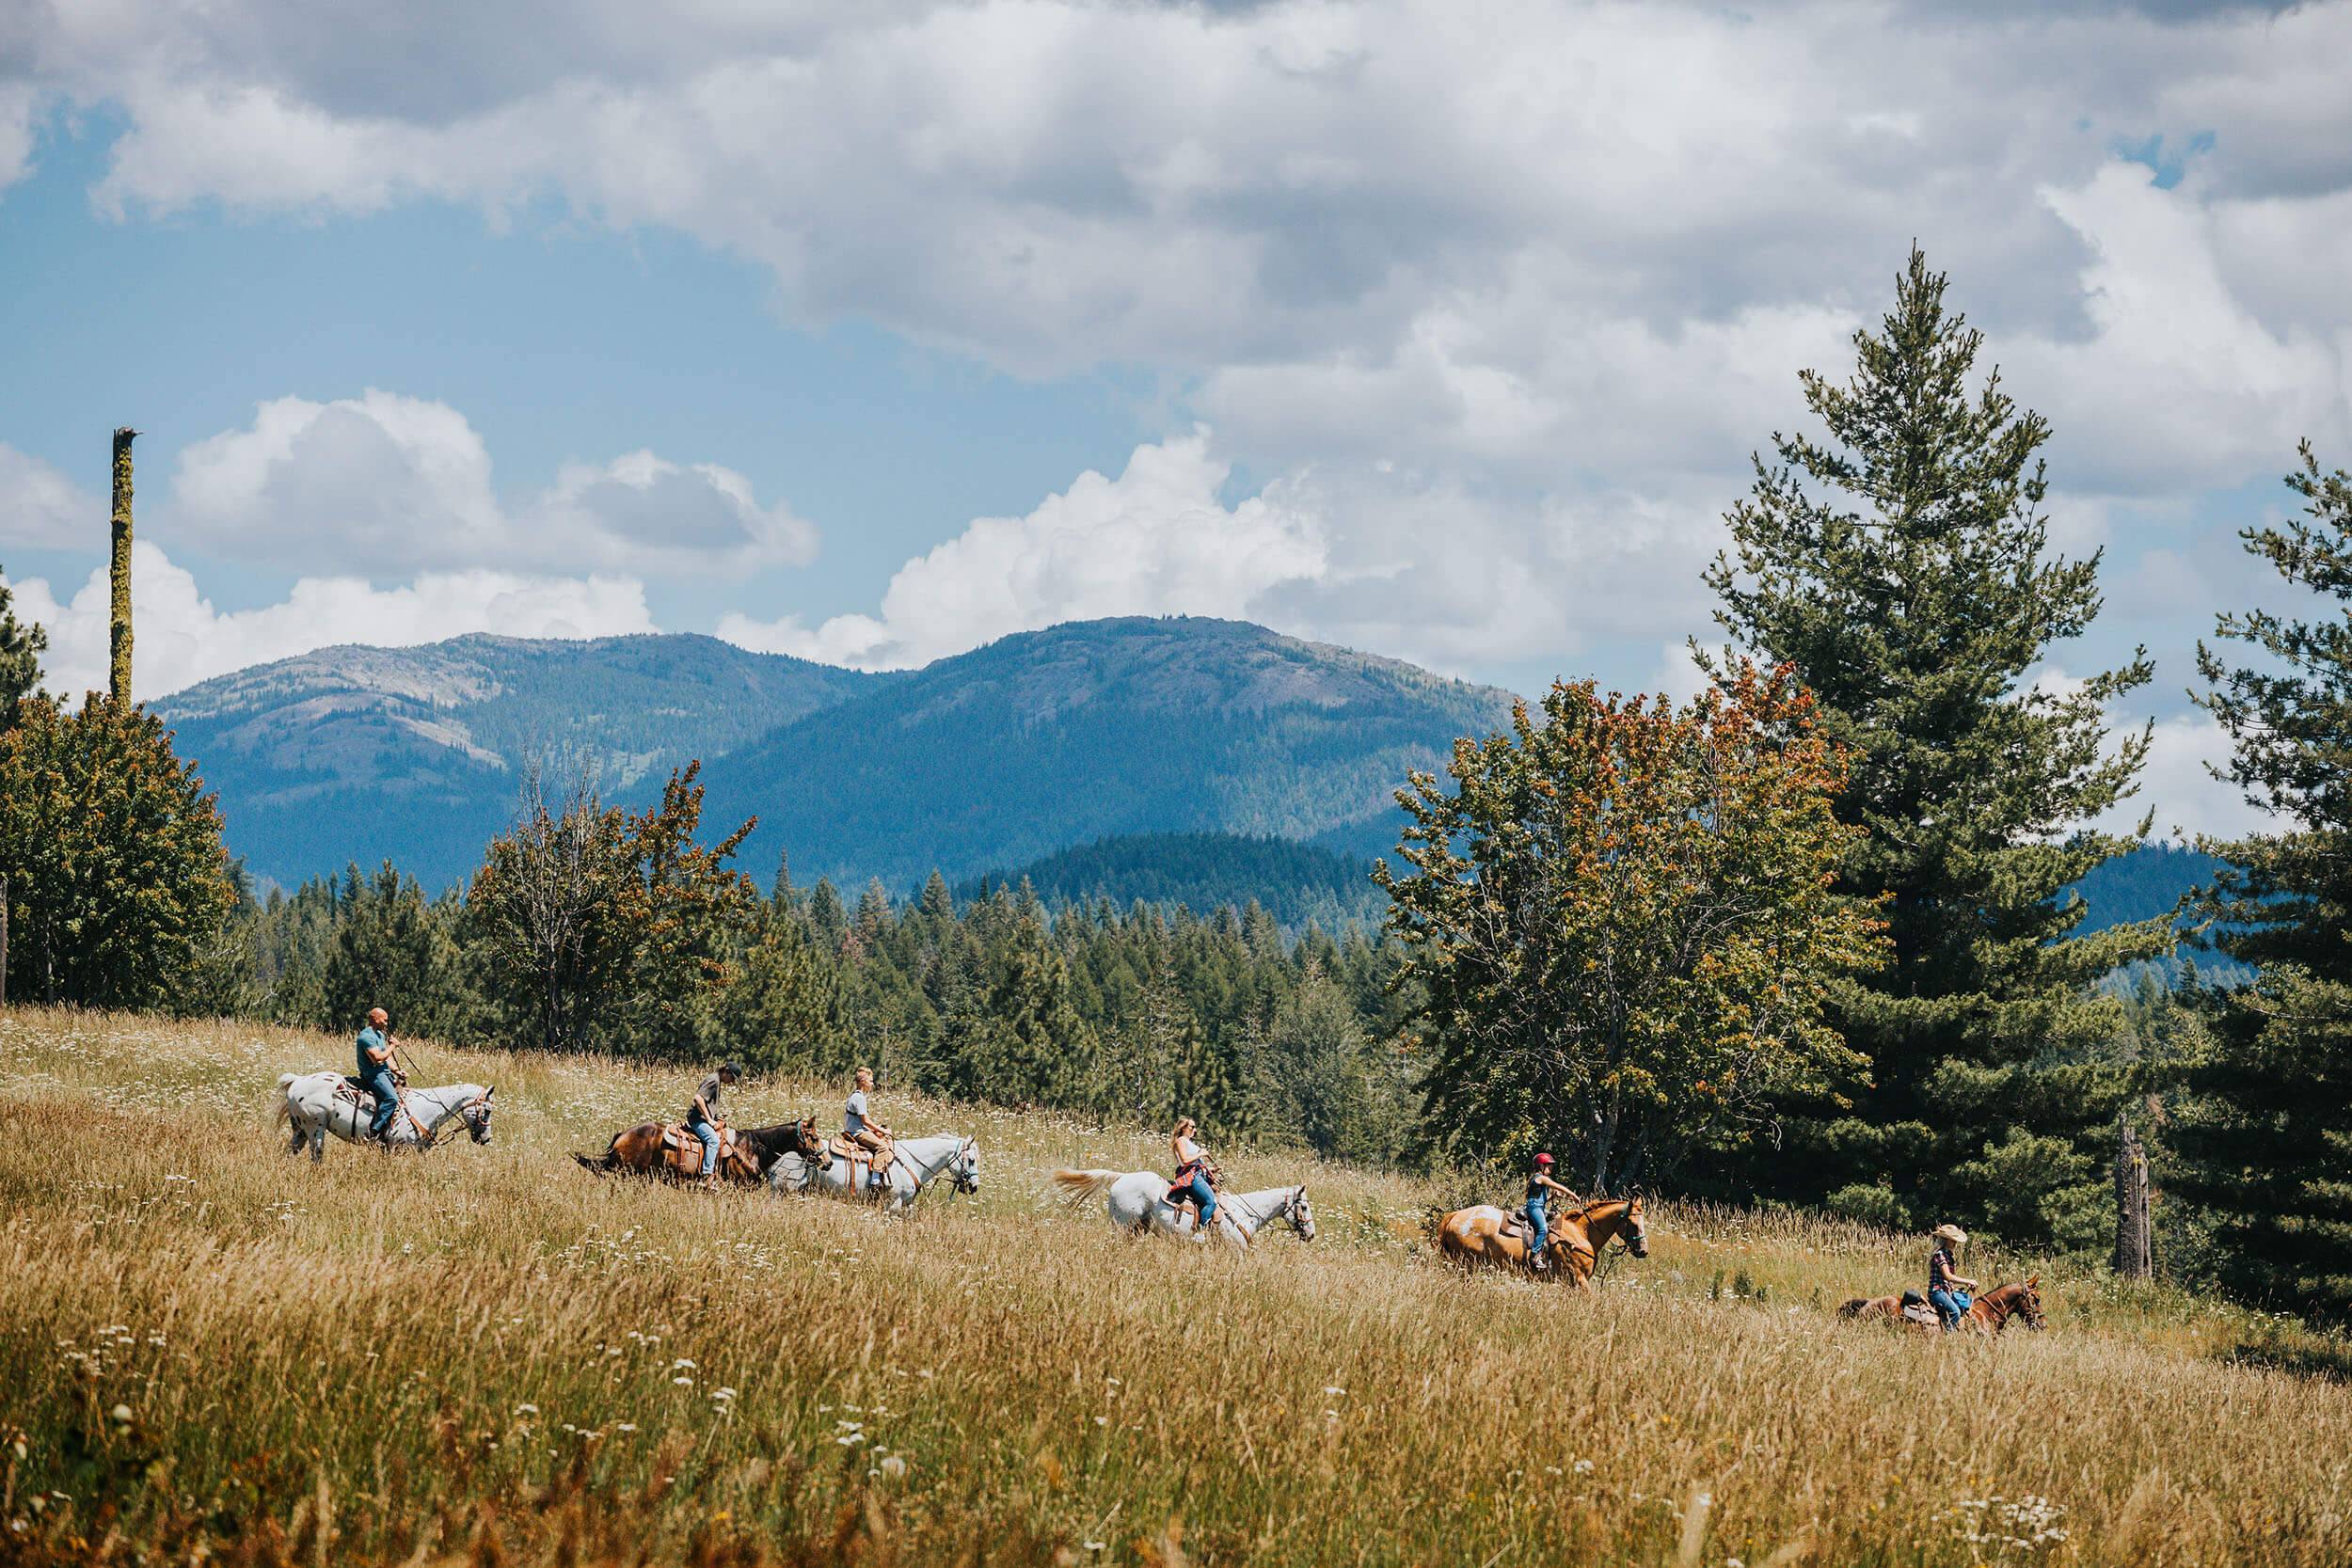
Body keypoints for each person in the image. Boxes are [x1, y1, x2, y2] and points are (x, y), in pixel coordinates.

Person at [1170, 1116, 1230, 1244]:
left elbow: (1195, 1163)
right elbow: (1185, 1161)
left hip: (1198, 1173)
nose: (1194, 1130)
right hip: (1192, 1176)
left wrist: (1212, 1170)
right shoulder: (1181, 1140)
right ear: (1183, 1128)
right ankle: (1200, 1232)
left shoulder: (1189, 1142)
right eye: (1192, 1127)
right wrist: (1201, 1154)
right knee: (1211, 1201)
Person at [1522, 1153, 1579, 1272]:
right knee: (1543, 1229)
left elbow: (1540, 1198)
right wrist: (1572, 1194)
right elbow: (1557, 1186)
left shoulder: (1539, 1179)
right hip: (1534, 1208)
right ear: (1540, 1166)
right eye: (1548, 1166)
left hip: (1539, 1207)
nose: (1551, 1168)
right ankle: (1534, 1256)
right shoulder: (1540, 1178)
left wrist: (1552, 1197)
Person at [688, 1063, 740, 1188]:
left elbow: (707, 1103)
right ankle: (706, 1176)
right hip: (697, 1120)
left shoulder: (716, 1080)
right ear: (726, 1072)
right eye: (732, 1078)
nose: (732, 1082)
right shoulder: (713, 1081)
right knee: (714, 1141)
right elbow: (698, 1099)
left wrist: (716, 1117)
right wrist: (710, 1120)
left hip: (701, 1119)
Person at [356, 1007, 401, 1144]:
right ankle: (374, 1131)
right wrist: (393, 1046)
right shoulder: (366, 1037)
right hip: (373, 1074)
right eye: (384, 1020)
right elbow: (378, 1058)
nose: (386, 1023)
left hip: (383, 1072)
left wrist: (396, 1071)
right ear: (375, 1019)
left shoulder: (380, 1035)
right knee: (392, 1098)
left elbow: (387, 1058)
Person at [845, 1067, 894, 1193]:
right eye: (870, 1081)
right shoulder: (859, 1098)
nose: (872, 1084)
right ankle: (875, 1180)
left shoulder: (855, 1096)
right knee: (883, 1146)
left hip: (856, 1129)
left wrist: (874, 1130)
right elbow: (865, 1121)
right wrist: (883, 1131)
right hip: (857, 1133)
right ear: (862, 1082)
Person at [1928, 1224, 1979, 1331]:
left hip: (1946, 1291)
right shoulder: (1940, 1254)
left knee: (1967, 1306)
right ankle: (1948, 1335)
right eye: (1952, 1240)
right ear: (1945, 1240)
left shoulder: (1948, 1256)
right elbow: (1948, 1276)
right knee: (1955, 1312)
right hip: (1937, 1292)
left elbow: (1949, 1279)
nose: (1955, 1243)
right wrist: (1967, 1281)